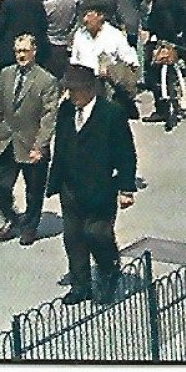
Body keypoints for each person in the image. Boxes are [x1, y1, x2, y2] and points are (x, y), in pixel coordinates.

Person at [47, 64, 138, 305]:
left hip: (100, 188)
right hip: (71, 186)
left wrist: (126, 188)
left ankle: (108, 271)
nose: (70, 95)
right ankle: (81, 285)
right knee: (73, 237)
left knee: (96, 233)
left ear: (89, 90)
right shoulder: (66, 110)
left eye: (74, 90)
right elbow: (62, 145)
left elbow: (126, 153)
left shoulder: (111, 114)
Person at [0, 35, 58, 246]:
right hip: (7, 141)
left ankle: (30, 227)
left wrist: (41, 146)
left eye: (25, 51)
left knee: (34, 190)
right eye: (18, 51)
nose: (21, 55)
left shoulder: (46, 80)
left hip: (32, 143)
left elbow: (49, 118)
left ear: (34, 52)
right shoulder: (6, 74)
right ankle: (12, 218)